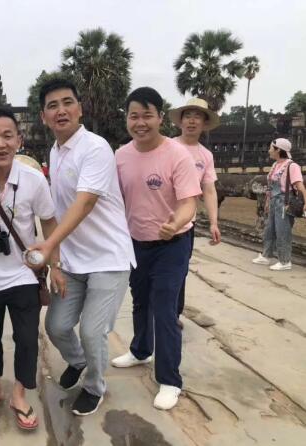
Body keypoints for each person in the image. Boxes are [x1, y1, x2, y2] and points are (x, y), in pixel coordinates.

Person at [27, 78, 135, 416]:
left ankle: (94, 386)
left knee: (92, 331)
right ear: (43, 116)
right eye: (52, 106)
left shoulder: (96, 148)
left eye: (67, 102)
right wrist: (56, 263)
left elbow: (85, 202)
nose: (61, 111)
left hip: (108, 258)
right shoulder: (55, 152)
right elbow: (55, 211)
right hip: (74, 261)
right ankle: (78, 361)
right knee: (56, 326)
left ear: (80, 109)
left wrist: (48, 245)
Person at [0, 108, 59, 431]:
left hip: (23, 275)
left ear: (19, 140)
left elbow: (49, 222)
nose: (1, 143)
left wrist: (55, 264)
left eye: (8, 136)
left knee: (27, 339)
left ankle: (19, 393)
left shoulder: (33, 179)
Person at [111, 87, 202, 410]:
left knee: (164, 309)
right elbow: (113, 201)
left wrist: (175, 224)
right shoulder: (120, 156)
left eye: (147, 115)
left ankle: (170, 380)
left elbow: (189, 202)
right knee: (140, 301)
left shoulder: (178, 155)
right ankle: (140, 351)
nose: (140, 123)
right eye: (134, 116)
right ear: (127, 119)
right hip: (136, 243)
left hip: (172, 244)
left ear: (160, 118)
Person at [169, 98, 221, 324]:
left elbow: (209, 190)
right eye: (187, 116)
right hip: (158, 219)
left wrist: (214, 222)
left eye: (197, 116)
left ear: (204, 123)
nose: (191, 121)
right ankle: (154, 312)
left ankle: (174, 314)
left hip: (186, 224)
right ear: (180, 121)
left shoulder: (205, 155)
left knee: (180, 271)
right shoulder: (166, 146)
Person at [252, 138, 306, 270]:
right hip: (274, 201)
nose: (269, 150)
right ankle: (266, 255)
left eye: (271, 148)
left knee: (283, 231)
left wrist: (305, 202)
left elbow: (300, 186)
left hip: (284, 202)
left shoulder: (291, 166)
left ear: (278, 150)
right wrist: (267, 201)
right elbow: (271, 186)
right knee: (269, 230)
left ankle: (285, 261)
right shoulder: (275, 165)